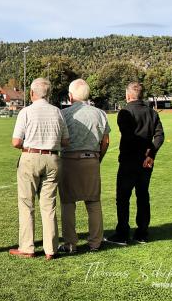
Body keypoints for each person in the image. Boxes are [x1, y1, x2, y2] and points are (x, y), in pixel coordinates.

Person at [10, 78, 69, 260]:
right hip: (53, 157)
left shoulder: (26, 112)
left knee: (27, 204)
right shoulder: (58, 112)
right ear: (48, 94)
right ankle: (51, 249)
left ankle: (27, 247)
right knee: (49, 204)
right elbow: (66, 141)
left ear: (31, 93)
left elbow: (16, 142)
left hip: (31, 156)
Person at [106, 82, 164, 245]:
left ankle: (122, 233)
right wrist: (150, 153)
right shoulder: (152, 113)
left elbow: (129, 137)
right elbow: (159, 136)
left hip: (129, 161)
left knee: (123, 197)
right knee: (143, 196)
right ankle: (142, 233)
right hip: (146, 162)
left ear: (128, 95)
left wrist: (144, 154)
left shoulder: (124, 112)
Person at [59, 79, 110, 253]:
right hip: (92, 159)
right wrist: (98, 158)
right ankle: (95, 242)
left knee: (68, 203)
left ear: (70, 96)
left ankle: (70, 244)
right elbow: (106, 141)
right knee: (93, 201)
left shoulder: (64, 114)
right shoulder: (100, 113)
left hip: (68, 161)